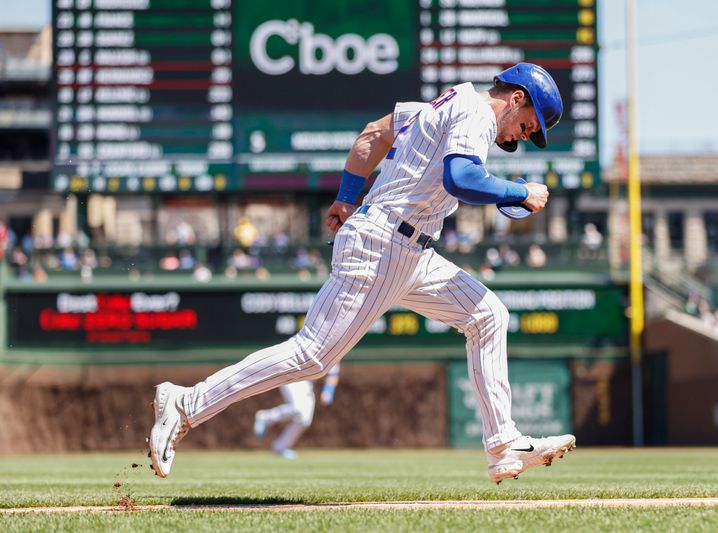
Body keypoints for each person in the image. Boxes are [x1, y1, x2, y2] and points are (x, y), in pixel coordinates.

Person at [148, 62, 575, 484]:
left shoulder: (443, 102)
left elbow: (374, 132)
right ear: (517, 98)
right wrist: (522, 191)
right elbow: (461, 178)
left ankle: (503, 446)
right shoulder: (478, 112)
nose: (523, 135)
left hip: (407, 251)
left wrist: (346, 197)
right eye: (528, 125)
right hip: (385, 245)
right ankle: (186, 403)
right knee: (312, 355)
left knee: (487, 316)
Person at [252, 364, 340, 459]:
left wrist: (328, 391)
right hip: (291, 374)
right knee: (298, 409)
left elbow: (333, 373)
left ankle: (280, 448)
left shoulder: (334, 352)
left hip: (307, 383)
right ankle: (265, 417)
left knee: (304, 420)